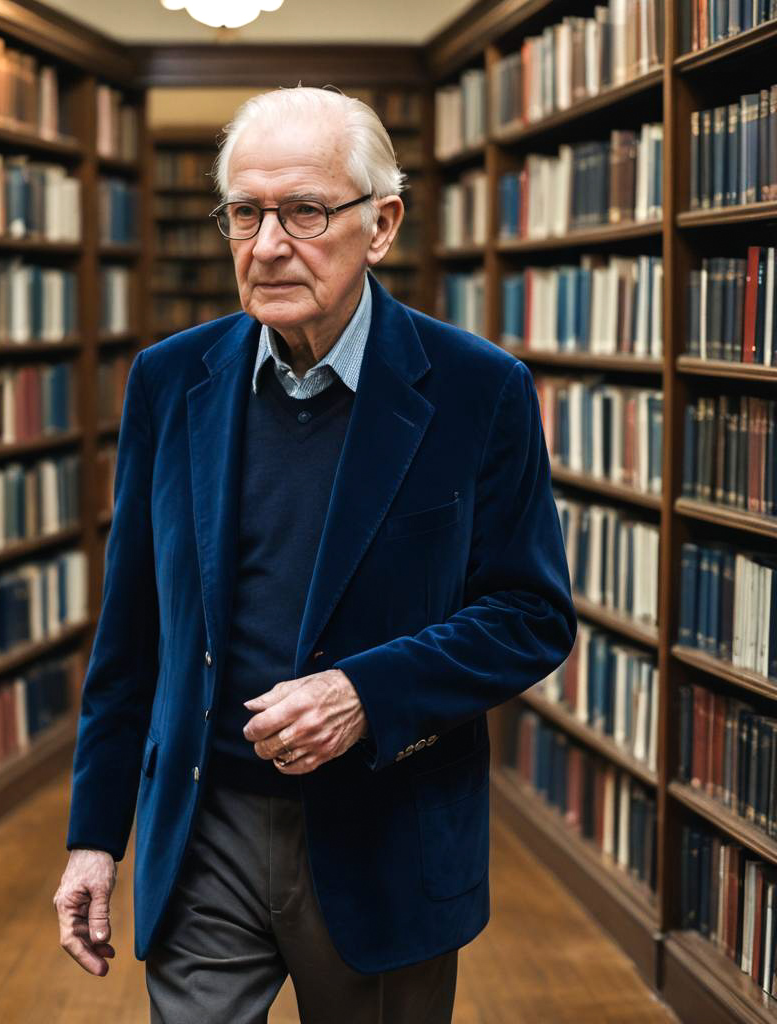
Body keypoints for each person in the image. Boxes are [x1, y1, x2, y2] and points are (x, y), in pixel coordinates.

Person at [54, 86, 577, 1023]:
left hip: (383, 836)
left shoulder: (478, 390)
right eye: (245, 213)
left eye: (303, 211)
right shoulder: (171, 381)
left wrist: (362, 694)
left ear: (381, 225)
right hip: (203, 826)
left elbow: (529, 615)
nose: (266, 244)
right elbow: (133, 628)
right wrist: (95, 837)